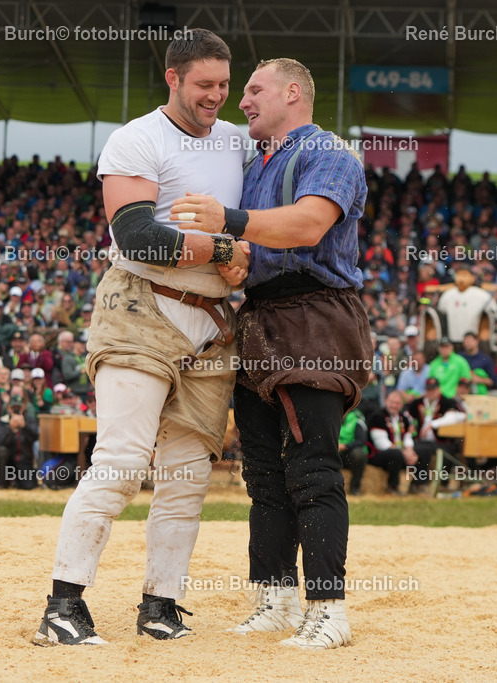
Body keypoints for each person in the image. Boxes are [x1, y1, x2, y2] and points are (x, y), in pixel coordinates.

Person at [37, 29, 249, 647]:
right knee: (123, 462)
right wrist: (226, 247)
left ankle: (160, 605)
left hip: (209, 323)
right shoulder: (138, 137)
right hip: (140, 304)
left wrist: (242, 255)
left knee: (187, 477)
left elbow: (260, 224)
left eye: (224, 86)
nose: (216, 96)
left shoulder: (238, 141)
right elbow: (139, 238)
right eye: (204, 84)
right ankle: (63, 607)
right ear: (173, 77)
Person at [170, 57, 372, 648]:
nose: (243, 102)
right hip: (256, 317)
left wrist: (228, 222)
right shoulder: (255, 161)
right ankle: (276, 598)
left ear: (292, 92)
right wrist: (232, 256)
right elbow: (253, 250)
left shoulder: (330, 151)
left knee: (311, 468)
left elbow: (308, 226)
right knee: (262, 473)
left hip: (316, 318)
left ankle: (329, 611)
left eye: (253, 90)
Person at [366, 391, 419, 493]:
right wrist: (404, 453)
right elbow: (381, 443)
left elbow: (408, 436)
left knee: (422, 450)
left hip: (400, 453)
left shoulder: (403, 418)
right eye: (391, 402)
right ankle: (393, 487)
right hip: (379, 455)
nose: (394, 406)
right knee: (395, 454)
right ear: (386, 401)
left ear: (402, 405)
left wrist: (410, 451)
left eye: (397, 403)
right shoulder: (377, 417)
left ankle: (416, 486)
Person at [337, 406, 367, 496]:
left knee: (358, 454)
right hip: (332, 453)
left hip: (348, 454)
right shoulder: (326, 417)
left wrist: (345, 446)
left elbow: (362, 440)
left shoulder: (356, 418)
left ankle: (355, 488)